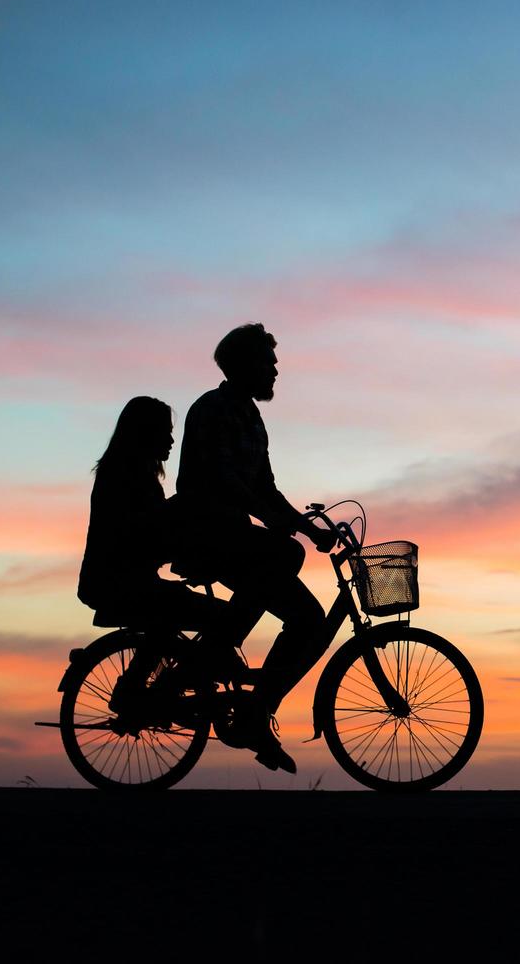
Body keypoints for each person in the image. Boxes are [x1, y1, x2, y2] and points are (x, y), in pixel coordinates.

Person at [174, 323, 338, 775]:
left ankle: (256, 711)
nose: (275, 371)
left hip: (234, 537)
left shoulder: (250, 417)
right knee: (285, 555)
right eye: (269, 362)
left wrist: (306, 527)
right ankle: (217, 649)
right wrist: (282, 525)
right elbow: (229, 482)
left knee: (309, 621)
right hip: (206, 534)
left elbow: (265, 487)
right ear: (244, 364)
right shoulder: (213, 409)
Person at [78, 396, 234, 714]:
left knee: (187, 615)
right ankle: (156, 688)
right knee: (215, 616)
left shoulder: (129, 475)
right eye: (166, 431)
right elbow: (142, 533)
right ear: (146, 433)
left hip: (124, 582)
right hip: (119, 584)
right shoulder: (127, 478)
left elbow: (151, 534)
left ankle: (160, 682)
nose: (172, 439)